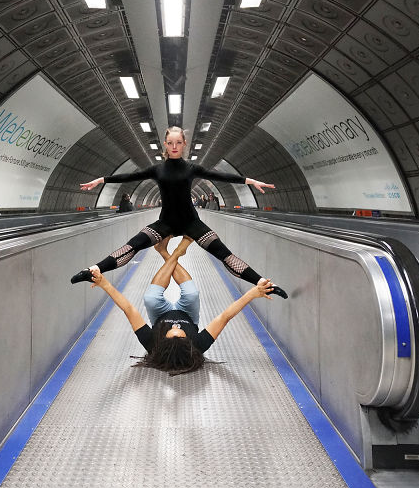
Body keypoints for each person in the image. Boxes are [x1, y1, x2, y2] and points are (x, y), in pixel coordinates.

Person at [72, 126, 288, 299]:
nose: (174, 146)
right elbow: (128, 177)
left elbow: (221, 177)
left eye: (178, 142)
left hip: (191, 223)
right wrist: (100, 180)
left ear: (184, 144)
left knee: (224, 253)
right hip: (165, 223)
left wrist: (251, 181)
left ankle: (265, 284)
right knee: (133, 245)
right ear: (165, 144)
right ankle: (93, 271)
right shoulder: (157, 170)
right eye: (170, 142)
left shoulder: (192, 169)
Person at [90, 235, 275, 375]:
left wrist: (104, 284)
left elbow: (129, 309)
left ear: (163, 339)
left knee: (150, 299)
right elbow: (224, 317)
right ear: (188, 342)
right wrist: (253, 293)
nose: (176, 326)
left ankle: (169, 251)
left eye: (171, 331)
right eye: (181, 332)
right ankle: (173, 251)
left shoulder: (152, 342)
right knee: (192, 293)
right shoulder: (198, 345)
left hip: (159, 314)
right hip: (188, 313)